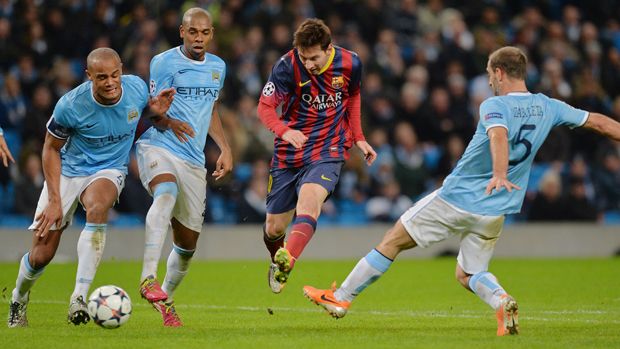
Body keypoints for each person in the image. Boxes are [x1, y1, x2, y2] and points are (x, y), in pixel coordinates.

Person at [303, 46, 620, 336]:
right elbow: (598, 123)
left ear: (498, 73)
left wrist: (497, 173)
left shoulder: (494, 105)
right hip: (497, 208)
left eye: (488, 73)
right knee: (469, 273)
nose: (489, 80)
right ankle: (501, 300)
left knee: (392, 240)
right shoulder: (548, 105)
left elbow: (498, 136)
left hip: (458, 197)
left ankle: (341, 298)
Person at [7, 47, 175, 328]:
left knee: (98, 207)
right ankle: (18, 297)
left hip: (108, 170)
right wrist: (55, 200)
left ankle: (79, 297)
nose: (110, 82)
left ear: (122, 70)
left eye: (114, 75)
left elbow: (145, 112)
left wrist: (157, 113)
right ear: (89, 76)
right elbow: (49, 149)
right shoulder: (71, 105)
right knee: (40, 256)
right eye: (101, 77)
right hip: (67, 172)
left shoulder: (135, 87)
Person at [257, 18, 377, 294]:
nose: (308, 63)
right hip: (289, 153)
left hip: (328, 149)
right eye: (303, 56)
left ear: (328, 48)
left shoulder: (351, 63)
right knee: (274, 228)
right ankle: (279, 260)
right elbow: (264, 107)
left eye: (313, 57)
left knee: (310, 202)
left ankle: (290, 259)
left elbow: (354, 97)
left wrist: (358, 137)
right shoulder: (286, 67)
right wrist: (283, 130)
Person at [135, 8, 232, 327]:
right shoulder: (163, 62)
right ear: (182, 31)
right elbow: (152, 110)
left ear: (212, 34)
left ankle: (166, 301)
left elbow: (210, 110)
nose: (199, 38)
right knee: (165, 193)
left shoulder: (218, 67)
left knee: (187, 246)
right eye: (193, 32)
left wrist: (225, 147)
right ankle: (147, 279)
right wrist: (169, 121)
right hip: (159, 145)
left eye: (205, 33)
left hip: (193, 160)